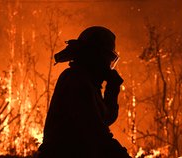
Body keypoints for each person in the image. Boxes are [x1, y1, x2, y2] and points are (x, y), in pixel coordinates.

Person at [38, 26, 131, 158]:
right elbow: (97, 133)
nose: (108, 65)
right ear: (95, 56)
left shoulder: (88, 82)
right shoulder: (76, 80)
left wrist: (113, 88)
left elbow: (105, 120)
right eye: (106, 58)